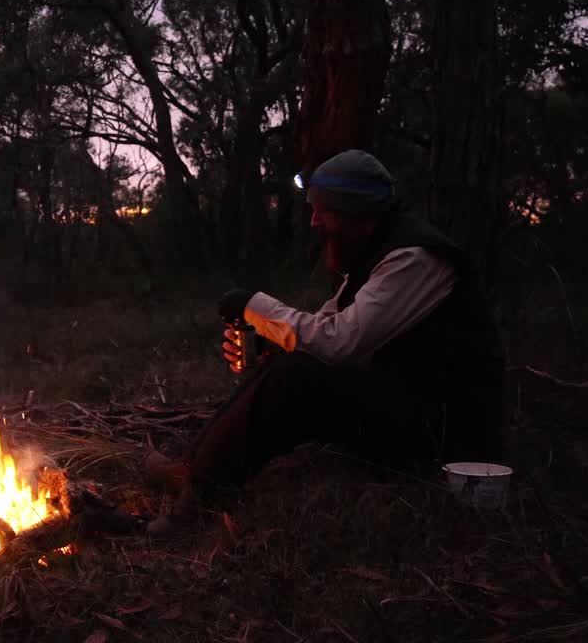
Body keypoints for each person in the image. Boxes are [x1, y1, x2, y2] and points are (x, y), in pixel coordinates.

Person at [147, 149, 507, 535]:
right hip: (409, 407)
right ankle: (195, 466)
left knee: (296, 376)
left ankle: (199, 504)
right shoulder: (374, 257)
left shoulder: (415, 259)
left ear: (358, 215)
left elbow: (339, 343)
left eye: (324, 210)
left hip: (447, 439)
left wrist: (254, 306)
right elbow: (323, 329)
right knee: (286, 361)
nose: (315, 221)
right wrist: (270, 342)